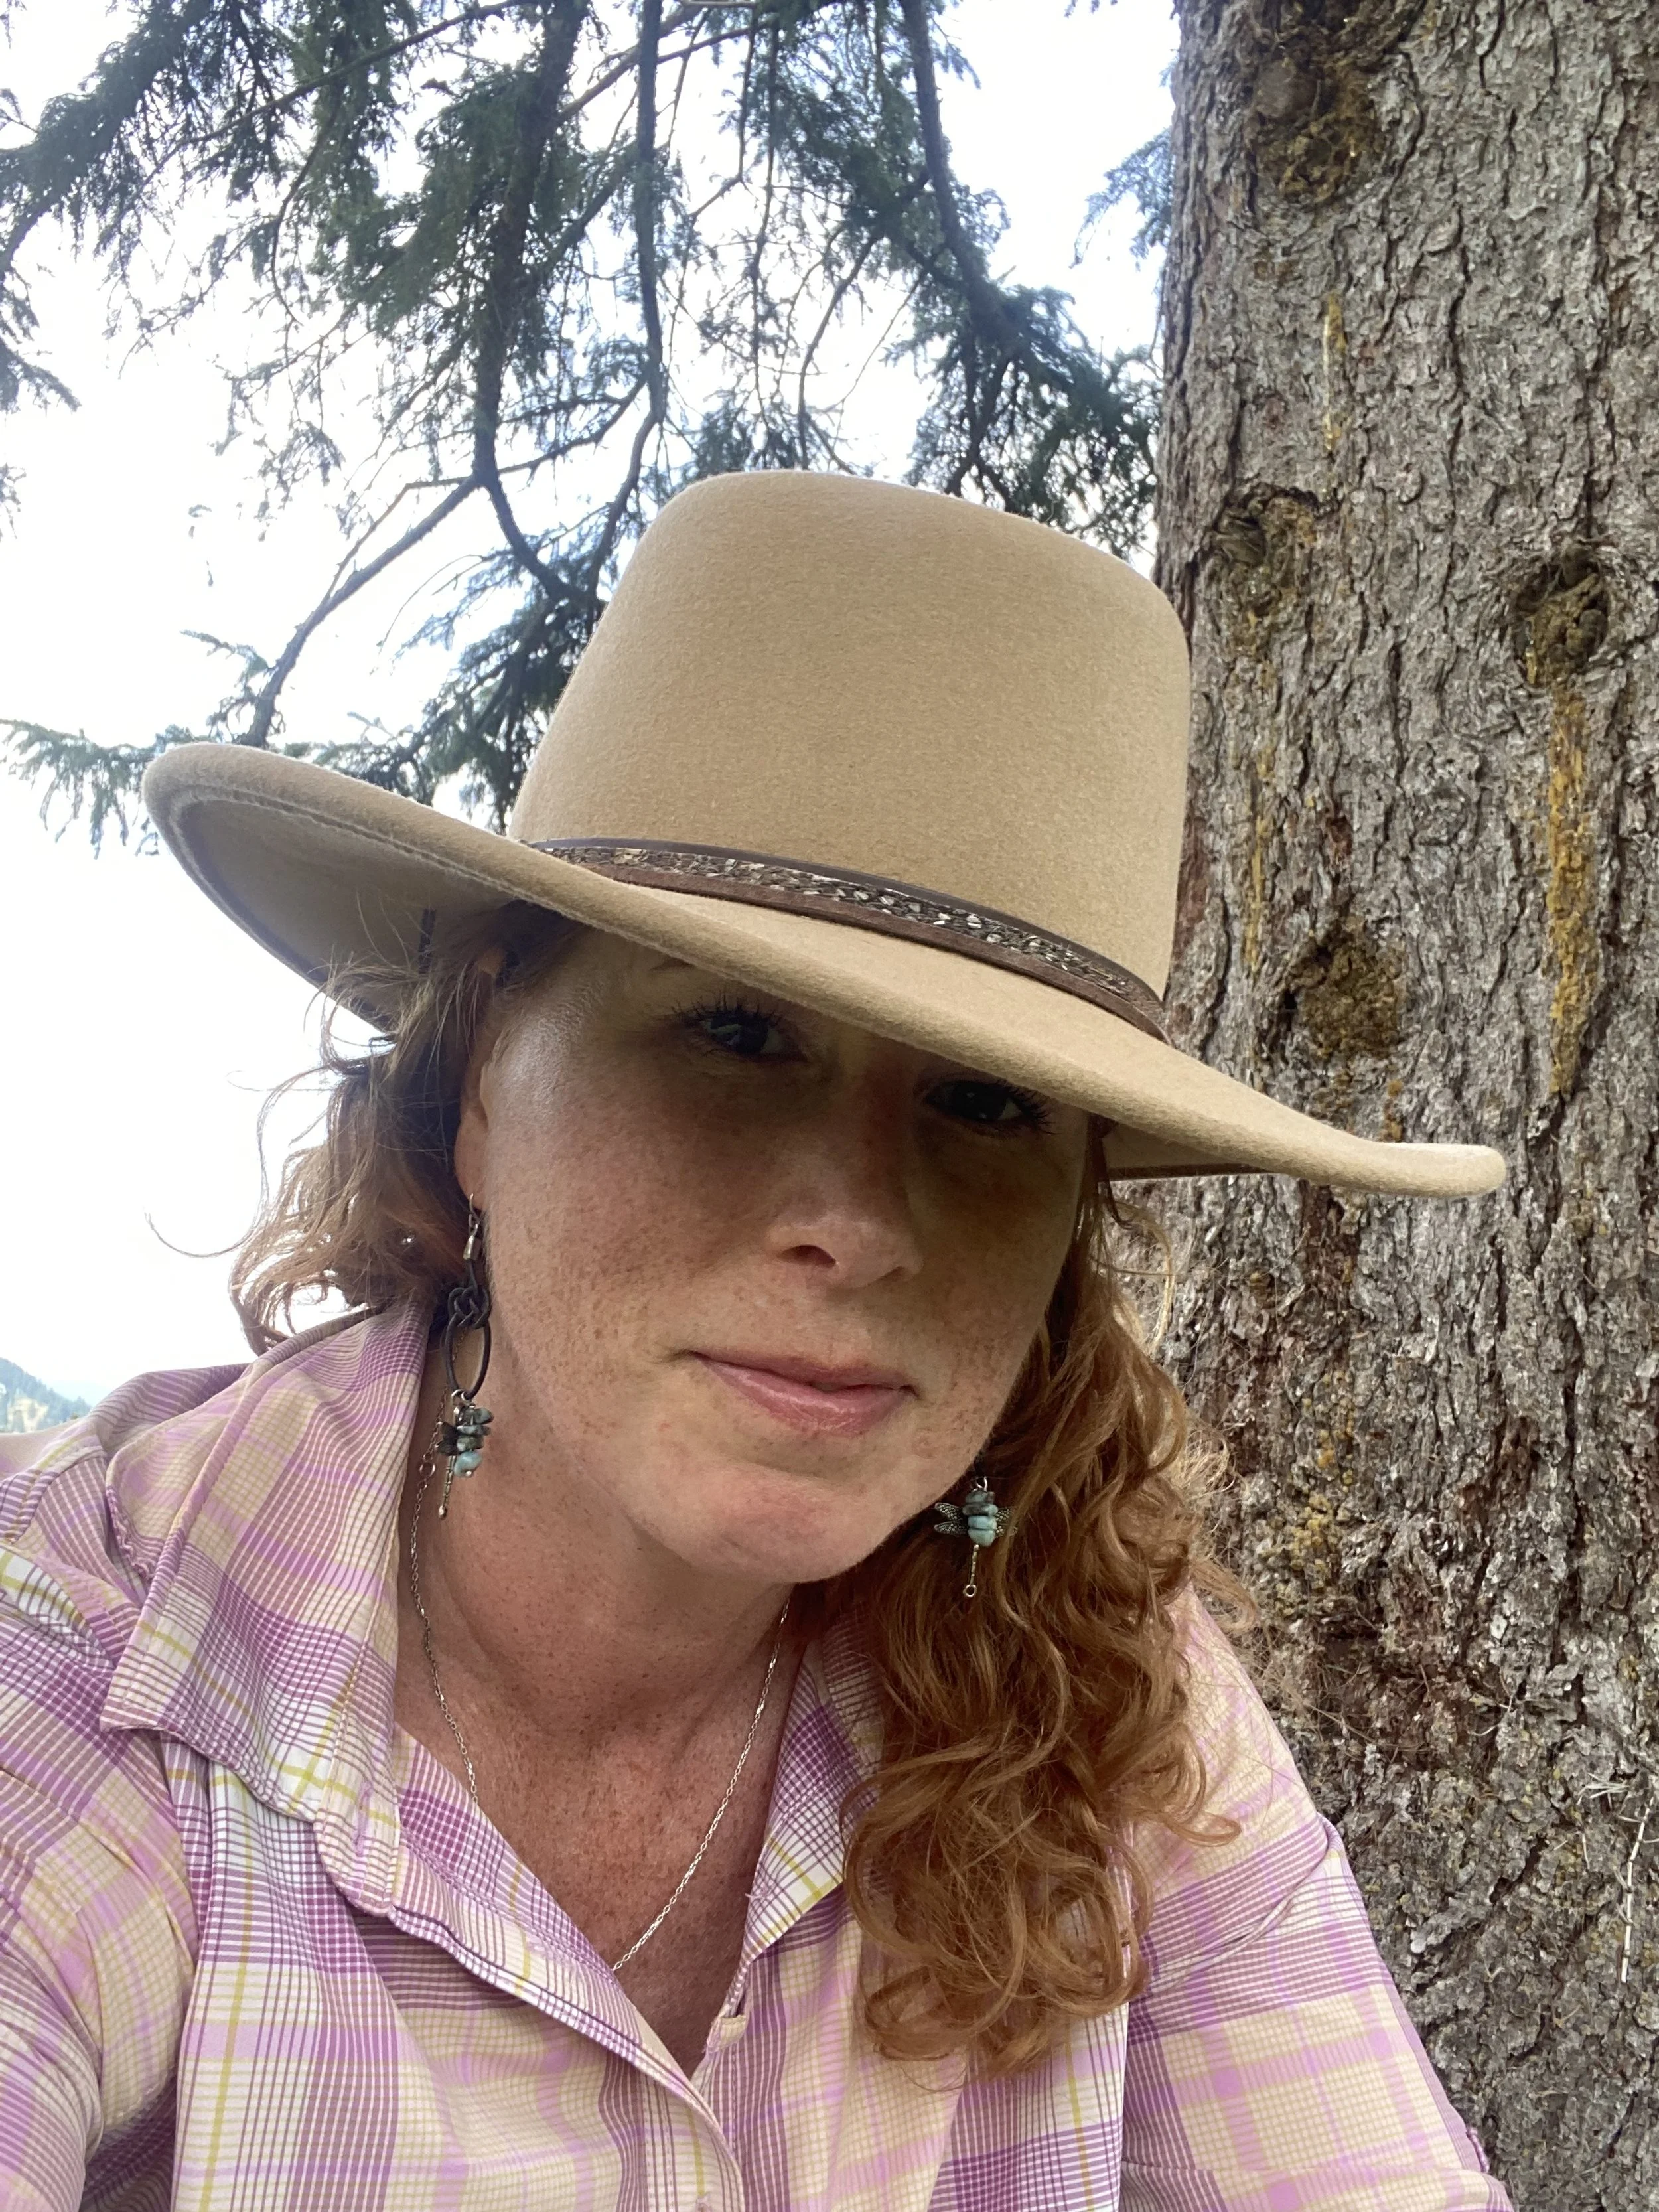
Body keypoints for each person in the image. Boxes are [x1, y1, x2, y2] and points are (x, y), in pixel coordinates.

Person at [0, 472, 1513, 2211]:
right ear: (483, 1072)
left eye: (984, 1101)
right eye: (734, 1032)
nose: (860, 1220)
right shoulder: (103, 1655)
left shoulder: (1101, 1690)